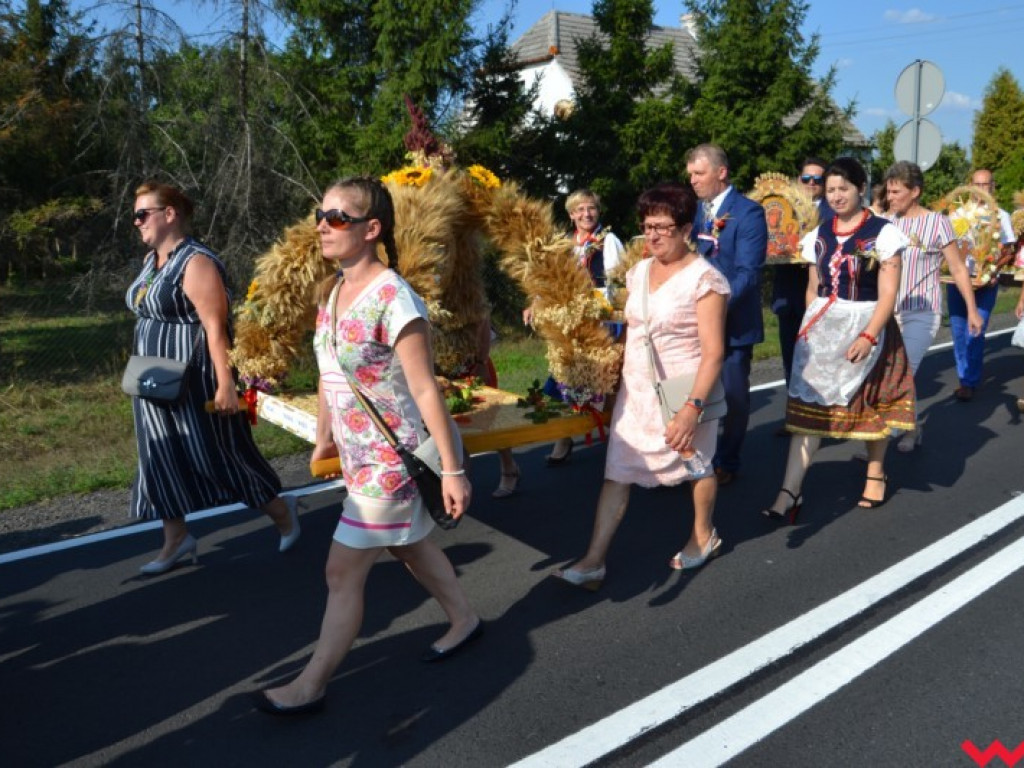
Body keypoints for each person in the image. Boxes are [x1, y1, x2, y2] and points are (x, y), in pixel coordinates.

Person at [251, 176, 480, 716]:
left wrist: (452, 470)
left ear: (371, 229)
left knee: (340, 571)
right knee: (410, 546)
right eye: (320, 215)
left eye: (337, 218)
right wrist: (324, 438)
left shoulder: (394, 298)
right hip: (357, 455)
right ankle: (465, 619)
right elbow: (331, 371)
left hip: (390, 460)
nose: (322, 226)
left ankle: (311, 684)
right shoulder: (331, 291)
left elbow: (426, 390)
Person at [553, 181, 729, 589]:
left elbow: (714, 352)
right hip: (635, 394)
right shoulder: (638, 271)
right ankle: (594, 560)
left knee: (696, 465)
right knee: (617, 471)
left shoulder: (706, 280)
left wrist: (692, 408)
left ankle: (703, 537)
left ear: (686, 229)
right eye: (648, 226)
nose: (652, 235)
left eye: (663, 227)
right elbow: (631, 331)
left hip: (682, 391)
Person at [126, 182, 299, 575]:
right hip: (153, 380)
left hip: (193, 380)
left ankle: (280, 511)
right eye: (134, 216)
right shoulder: (152, 261)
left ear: (169, 214)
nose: (136, 223)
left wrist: (226, 385)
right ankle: (175, 538)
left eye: (142, 214)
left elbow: (216, 329)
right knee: (158, 458)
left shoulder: (196, 261)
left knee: (216, 454)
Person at [762, 157, 914, 521]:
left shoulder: (884, 233)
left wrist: (868, 335)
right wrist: (811, 328)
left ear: (861, 188)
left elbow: (888, 293)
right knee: (808, 410)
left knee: (872, 407)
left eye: (843, 188)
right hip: (827, 330)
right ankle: (789, 491)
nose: (836, 196)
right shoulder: (819, 234)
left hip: (869, 324)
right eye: (830, 190)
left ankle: (875, 473)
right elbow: (814, 288)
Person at [884, 161, 983, 450]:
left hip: (923, 313)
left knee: (902, 370)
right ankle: (912, 429)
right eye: (889, 192)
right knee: (897, 372)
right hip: (890, 312)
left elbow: (958, 269)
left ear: (914, 191)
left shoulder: (937, 223)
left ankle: (882, 434)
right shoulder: (887, 222)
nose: (890, 197)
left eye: (896, 191)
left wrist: (972, 310)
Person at [523, 188, 625, 464]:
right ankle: (564, 437)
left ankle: (620, 440)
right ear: (571, 215)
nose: (586, 214)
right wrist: (536, 302)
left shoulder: (609, 241)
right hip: (568, 321)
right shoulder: (565, 244)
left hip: (599, 319)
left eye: (590, 208)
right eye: (580, 209)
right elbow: (550, 279)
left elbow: (617, 282)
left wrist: (597, 304)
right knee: (565, 373)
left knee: (607, 379)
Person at [686, 144, 768, 485]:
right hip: (694, 322)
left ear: (721, 172)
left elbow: (748, 272)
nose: (692, 181)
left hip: (733, 321)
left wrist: (714, 307)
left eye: (698, 173)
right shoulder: (696, 212)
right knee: (693, 395)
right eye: (690, 174)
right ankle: (691, 458)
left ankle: (728, 460)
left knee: (733, 397)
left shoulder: (749, 213)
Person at [947, 168, 1017, 402]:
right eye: (977, 184)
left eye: (985, 185)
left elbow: (1008, 249)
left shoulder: (1001, 216)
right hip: (958, 282)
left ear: (992, 187)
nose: (981, 190)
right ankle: (964, 376)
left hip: (985, 283)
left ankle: (970, 381)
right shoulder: (957, 214)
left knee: (975, 331)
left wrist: (993, 270)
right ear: (970, 187)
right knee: (958, 333)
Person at [771, 158, 834, 393]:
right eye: (806, 178)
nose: (810, 183)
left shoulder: (833, 211)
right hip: (787, 293)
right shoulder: (781, 207)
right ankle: (793, 417)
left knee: (820, 359)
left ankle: (820, 418)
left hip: (820, 295)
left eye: (817, 179)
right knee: (790, 358)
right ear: (798, 180)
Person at [472, 315, 521, 498]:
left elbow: (483, 319)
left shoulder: (467, 288)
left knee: (490, 417)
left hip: (474, 361)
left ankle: (509, 466)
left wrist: (481, 361)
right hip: (442, 362)